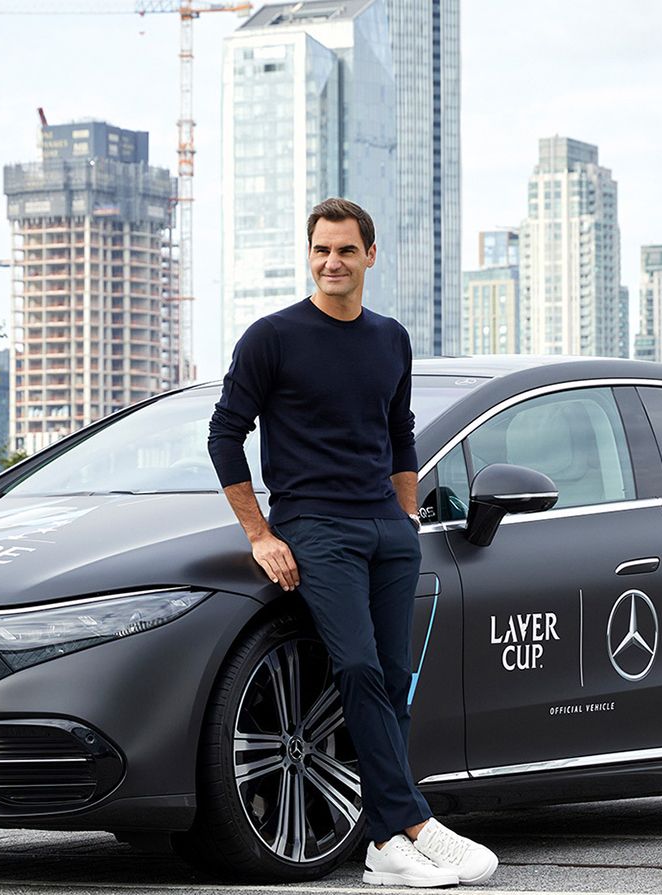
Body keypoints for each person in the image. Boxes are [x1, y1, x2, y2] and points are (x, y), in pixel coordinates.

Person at [207, 197, 499, 888]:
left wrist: (405, 518)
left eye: (345, 250)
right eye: (320, 250)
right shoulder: (271, 337)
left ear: (370, 256)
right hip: (315, 528)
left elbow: (400, 434)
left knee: (394, 681)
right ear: (308, 256)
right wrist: (259, 532)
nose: (331, 262)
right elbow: (225, 434)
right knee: (360, 668)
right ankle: (413, 822)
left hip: (387, 531)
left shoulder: (390, 338)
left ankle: (381, 848)